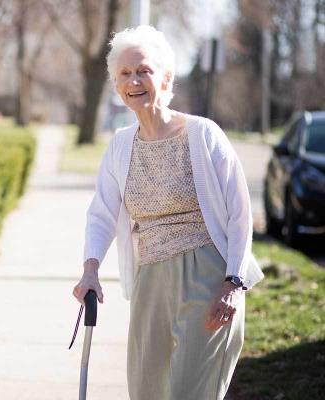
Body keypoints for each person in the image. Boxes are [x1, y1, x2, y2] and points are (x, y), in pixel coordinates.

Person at [72, 25, 264, 400]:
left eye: (143, 70)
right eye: (125, 74)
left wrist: (233, 283)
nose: (134, 81)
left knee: (189, 392)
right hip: (150, 280)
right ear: (116, 85)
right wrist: (90, 270)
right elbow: (101, 214)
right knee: (146, 391)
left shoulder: (203, 135)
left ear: (165, 77)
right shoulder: (120, 146)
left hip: (209, 276)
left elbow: (241, 214)